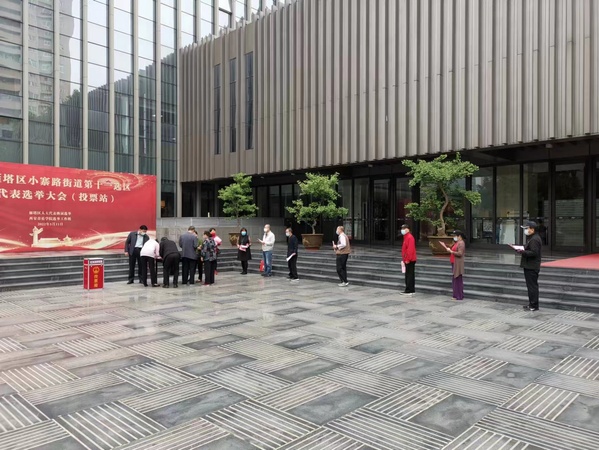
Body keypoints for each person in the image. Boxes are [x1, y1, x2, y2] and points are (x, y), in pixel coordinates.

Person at [517, 221, 542, 311]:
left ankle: (534, 305)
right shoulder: (532, 238)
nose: (526, 230)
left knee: (532, 287)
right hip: (530, 265)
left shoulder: (534, 239)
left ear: (532, 229)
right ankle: (532, 303)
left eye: (527, 228)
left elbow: (534, 252)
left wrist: (522, 252)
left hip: (531, 266)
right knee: (531, 286)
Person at [445, 230, 466, 300]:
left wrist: (451, 251)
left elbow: (460, 253)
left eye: (455, 236)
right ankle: (456, 295)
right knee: (455, 279)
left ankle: (458, 295)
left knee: (457, 279)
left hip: (457, 263)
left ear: (459, 236)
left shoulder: (461, 243)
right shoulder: (457, 243)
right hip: (454, 262)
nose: (454, 237)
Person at [400, 223, 417, 296]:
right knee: (408, 275)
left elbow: (410, 249)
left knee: (409, 275)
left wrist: (408, 259)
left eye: (404, 228)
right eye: (402, 228)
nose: (402, 230)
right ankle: (409, 289)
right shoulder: (406, 237)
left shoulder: (410, 237)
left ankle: (409, 290)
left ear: (408, 229)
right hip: (407, 259)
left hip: (410, 259)